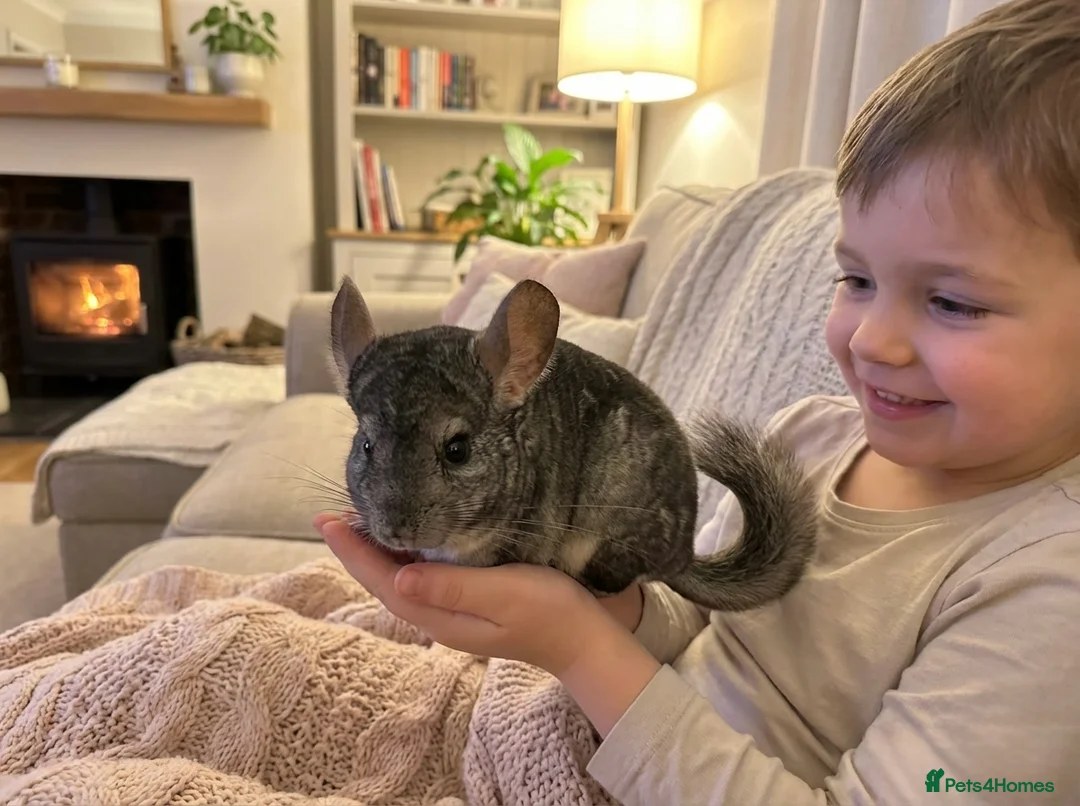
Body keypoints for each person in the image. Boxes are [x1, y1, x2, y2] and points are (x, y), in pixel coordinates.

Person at [317, 0, 1080, 801]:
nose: (869, 342)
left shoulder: (1047, 588)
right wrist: (587, 618)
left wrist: (580, 648)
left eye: (953, 302)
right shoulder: (813, 438)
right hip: (593, 724)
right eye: (856, 279)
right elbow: (694, 626)